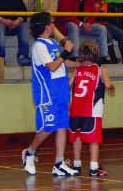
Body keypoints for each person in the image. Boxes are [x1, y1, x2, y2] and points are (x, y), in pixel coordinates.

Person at [21, 12, 80, 177]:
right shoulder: (39, 46)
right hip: (47, 92)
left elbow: (63, 61)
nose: (55, 25)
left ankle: (59, 163)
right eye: (52, 23)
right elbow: (53, 66)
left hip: (61, 89)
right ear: (47, 26)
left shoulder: (52, 42)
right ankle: (30, 152)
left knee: (62, 126)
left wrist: (80, 64)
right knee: (48, 128)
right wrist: (66, 52)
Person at [69, 41, 114, 177]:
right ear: (96, 54)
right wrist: (110, 86)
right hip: (92, 110)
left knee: (77, 137)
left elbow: (68, 85)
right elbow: (107, 84)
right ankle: (94, 168)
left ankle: (77, 165)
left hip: (75, 109)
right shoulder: (100, 69)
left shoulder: (77, 70)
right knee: (94, 140)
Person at [56, 0, 109, 64]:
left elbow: (93, 14)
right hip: (66, 26)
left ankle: (103, 56)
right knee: (73, 26)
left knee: (102, 28)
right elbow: (66, 16)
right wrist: (81, 24)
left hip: (82, 25)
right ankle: (74, 56)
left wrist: (88, 23)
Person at [92, 0, 123, 64]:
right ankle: (113, 58)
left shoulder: (104, 3)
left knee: (122, 34)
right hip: (95, 25)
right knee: (108, 35)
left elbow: (107, 17)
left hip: (105, 24)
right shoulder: (89, 2)